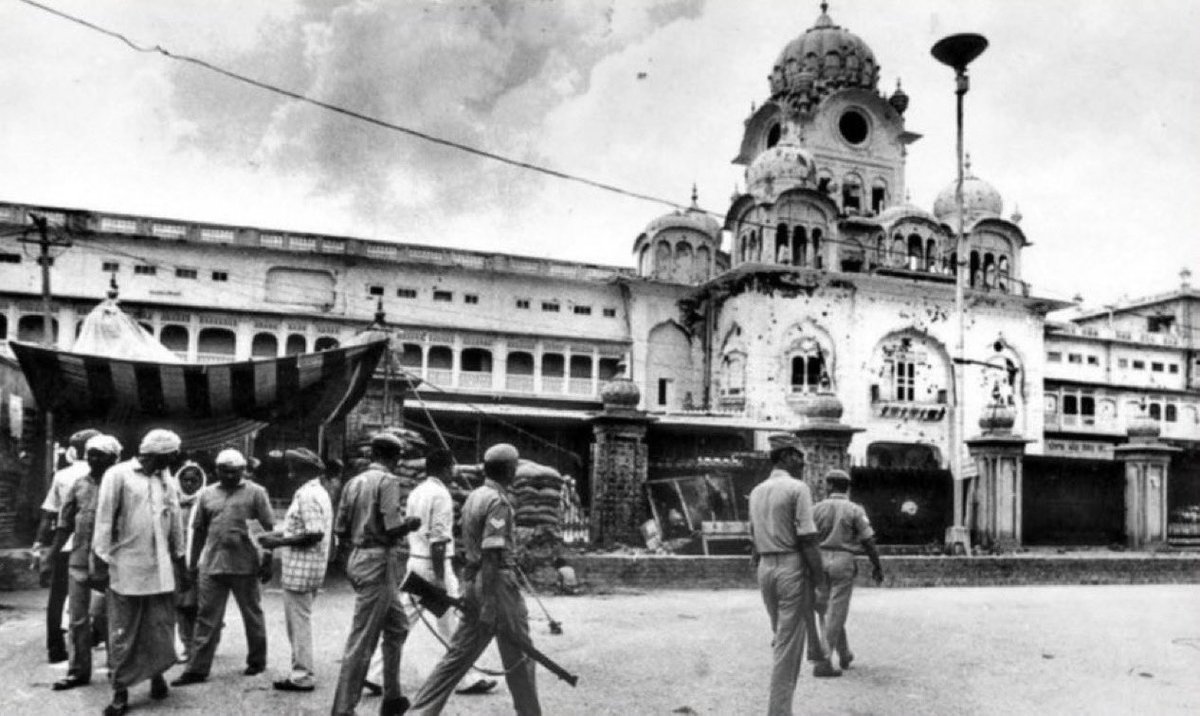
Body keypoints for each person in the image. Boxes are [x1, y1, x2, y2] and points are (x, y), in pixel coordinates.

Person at [408, 443, 541, 716]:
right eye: (514, 468)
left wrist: (471, 586)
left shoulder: (474, 497)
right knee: (521, 656)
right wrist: (491, 603)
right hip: (498, 586)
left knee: (456, 657)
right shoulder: (498, 503)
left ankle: (418, 713)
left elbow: (468, 547)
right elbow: (492, 553)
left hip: (474, 581)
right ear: (509, 470)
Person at [92, 428, 188, 716]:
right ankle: (120, 692)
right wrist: (99, 562)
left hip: (160, 568)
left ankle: (156, 676)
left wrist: (181, 563)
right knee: (123, 631)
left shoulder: (166, 479)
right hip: (126, 567)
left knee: (158, 628)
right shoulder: (118, 474)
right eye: (172, 455)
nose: (175, 460)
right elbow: (104, 519)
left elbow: (176, 523)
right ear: (158, 453)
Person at [330, 433, 423, 716]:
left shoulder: (353, 482)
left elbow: (340, 529)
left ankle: (392, 696)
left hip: (359, 557)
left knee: (398, 626)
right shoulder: (388, 481)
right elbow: (392, 526)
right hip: (379, 561)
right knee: (363, 639)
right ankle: (343, 708)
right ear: (394, 457)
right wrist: (411, 524)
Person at [393, 448, 496, 696]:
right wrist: (440, 580)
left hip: (416, 561)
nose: (455, 472)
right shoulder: (441, 495)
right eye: (452, 467)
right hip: (434, 565)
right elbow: (439, 540)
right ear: (443, 468)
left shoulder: (417, 491)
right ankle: (466, 678)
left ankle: (374, 674)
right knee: (453, 623)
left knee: (403, 621)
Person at [748, 434, 838, 716]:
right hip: (790, 567)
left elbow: (753, 540)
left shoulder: (757, 490)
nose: (803, 461)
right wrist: (821, 584)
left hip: (765, 568)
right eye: (798, 455)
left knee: (782, 637)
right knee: (787, 647)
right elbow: (809, 540)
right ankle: (779, 712)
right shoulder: (798, 488)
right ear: (785, 456)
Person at [172, 448, 275, 685]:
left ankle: (257, 661)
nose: (230, 476)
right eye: (225, 471)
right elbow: (199, 531)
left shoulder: (256, 493)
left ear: (243, 471)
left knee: (252, 614)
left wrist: (267, 560)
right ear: (217, 471)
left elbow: (268, 528)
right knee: (206, 617)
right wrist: (192, 564)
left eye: (235, 472)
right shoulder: (207, 494)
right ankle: (196, 669)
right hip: (213, 564)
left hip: (245, 564)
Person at [49, 433, 121, 690]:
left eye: (98, 455)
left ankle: (118, 670)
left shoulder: (121, 484)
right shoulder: (79, 485)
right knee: (77, 618)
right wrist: (51, 555)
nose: (92, 459)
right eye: (90, 454)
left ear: (113, 458)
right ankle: (78, 671)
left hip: (112, 563)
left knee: (110, 617)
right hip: (79, 560)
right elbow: (65, 523)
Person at [258, 448, 333, 693]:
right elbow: (305, 529)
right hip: (307, 568)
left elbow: (314, 533)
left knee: (298, 624)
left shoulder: (307, 495)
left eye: (294, 468)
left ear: (305, 471)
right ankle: (300, 671)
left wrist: (278, 542)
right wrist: (278, 535)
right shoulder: (316, 492)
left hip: (302, 570)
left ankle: (302, 675)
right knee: (299, 622)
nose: (290, 472)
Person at [32, 428, 100, 663]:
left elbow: (48, 514)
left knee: (58, 596)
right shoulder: (108, 474)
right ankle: (95, 637)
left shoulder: (62, 475)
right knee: (98, 592)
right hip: (96, 543)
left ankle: (55, 647)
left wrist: (39, 546)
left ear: (73, 450)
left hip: (65, 544)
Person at [812, 469, 885, 671]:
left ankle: (844, 653)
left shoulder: (816, 509)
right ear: (847, 487)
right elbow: (868, 540)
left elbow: (805, 538)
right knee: (837, 610)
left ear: (829, 485)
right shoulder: (855, 510)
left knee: (826, 610)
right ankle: (823, 659)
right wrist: (876, 565)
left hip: (819, 558)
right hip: (843, 560)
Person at [174, 461, 209, 664]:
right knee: (180, 605)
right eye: (185, 480)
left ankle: (199, 645)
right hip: (178, 560)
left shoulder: (205, 501)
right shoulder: (173, 501)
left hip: (199, 559)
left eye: (194, 480)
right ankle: (187, 645)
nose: (189, 484)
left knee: (197, 606)